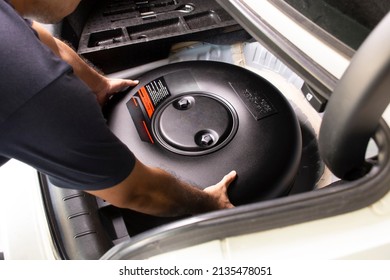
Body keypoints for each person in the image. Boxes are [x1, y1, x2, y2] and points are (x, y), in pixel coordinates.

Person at [0, 0, 237, 217]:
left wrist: (99, 85)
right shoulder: (41, 91)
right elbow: (139, 192)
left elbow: (41, 38)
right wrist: (209, 202)